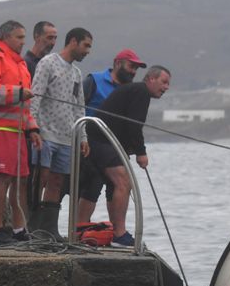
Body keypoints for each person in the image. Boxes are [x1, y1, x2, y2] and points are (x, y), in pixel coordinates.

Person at [87, 66, 171, 248]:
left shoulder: (137, 91)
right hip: (102, 140)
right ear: (150, 79)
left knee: (115, 184)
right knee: (124, 182)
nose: (166, 87)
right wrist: (141, 152)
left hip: (105, 140)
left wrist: (130, 148)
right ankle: (119, 234)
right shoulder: (140, 92)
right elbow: (134, 126)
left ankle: (117, 232)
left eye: (168, 84)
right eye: (164, 82)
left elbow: (125, 123)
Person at [0, 21, 42, 245]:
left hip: (17, 131)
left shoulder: (21, 65)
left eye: (24, 37)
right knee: (3, 178)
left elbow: (24, 106)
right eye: (19, 37)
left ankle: (18, 229)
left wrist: (32, 128)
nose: (23, 42)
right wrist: (18, 92)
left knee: (21, 180)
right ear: (5, 37)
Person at [28, 28, 92, 235]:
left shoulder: (77, 73)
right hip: (45, 133)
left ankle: (48, 229)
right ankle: (31, 226)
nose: (88, 51)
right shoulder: (48, 63)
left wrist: (83, 136)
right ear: (73, 41)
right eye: (86, 46)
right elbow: (35, 95)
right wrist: (33, 127)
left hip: (66, 137)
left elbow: (79, 106)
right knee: (41, 178)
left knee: (57, 182)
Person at [77, 48, 147, 223]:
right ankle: (80, 228)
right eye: (131, 66)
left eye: (136, 69)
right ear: (118, 63)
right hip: (90, 141)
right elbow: (77, 106)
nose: (133, 71)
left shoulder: (130, 90)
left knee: (115, 186)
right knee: (92, 186)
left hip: (114, 146)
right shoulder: (94, 80)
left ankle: (117, 231)